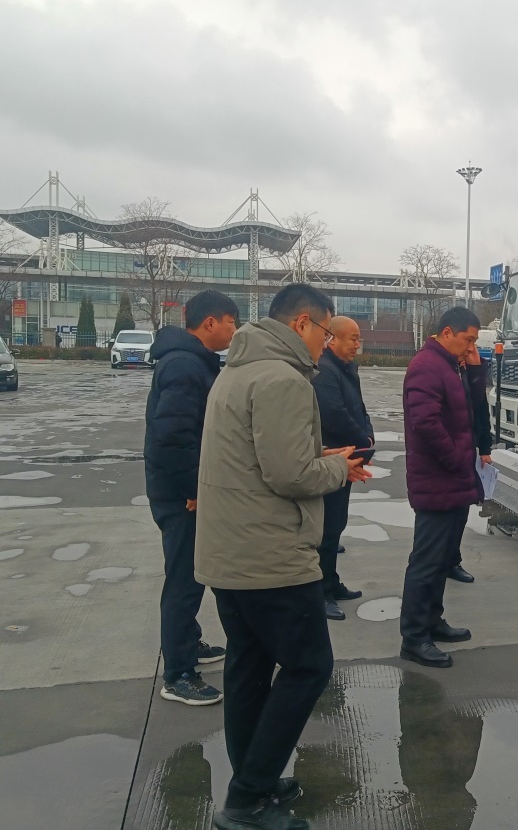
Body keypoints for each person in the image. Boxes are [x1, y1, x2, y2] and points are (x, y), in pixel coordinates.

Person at [196, 284, 370, 830]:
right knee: (308, 667)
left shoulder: (239, 370)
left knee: (248, 669)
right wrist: (338, 468)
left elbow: (264, 456)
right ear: (302, 325)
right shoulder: (283, 379)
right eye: (325, 332)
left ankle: (255, 779)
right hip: (270, 555)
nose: (327, 343)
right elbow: (290, 476)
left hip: (232, 552)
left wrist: (319, 455)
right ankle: (247, 799)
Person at [143, 289, 239, 706]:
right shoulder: (184, 365)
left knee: (193, 575)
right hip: (180, 495)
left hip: (184, 488)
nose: (234, 331)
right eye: (231, 323)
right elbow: (173, 437)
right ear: (210, 323)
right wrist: (193, 490)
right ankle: (178, 673)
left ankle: (189, 642)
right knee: (184, 580)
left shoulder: (193, 360)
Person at [399, 306, 486, 668]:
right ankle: (414, 637)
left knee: (441, 560)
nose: (471, 347)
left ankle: (432, 621)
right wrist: (455, 459)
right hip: (438, 480)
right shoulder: (426, 366)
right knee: (426, 562)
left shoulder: (449, 364)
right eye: (468, 340)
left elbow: (471, 411)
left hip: (453, 480)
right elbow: (426, 423)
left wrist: (476, 369)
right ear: (447, 332)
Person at [313, 315, 374, 621]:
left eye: (358, 338)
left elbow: (359, 408)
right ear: (332, 339)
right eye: (352, 338)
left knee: (337, 523)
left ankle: (332, 581)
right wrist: (363, 440)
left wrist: (368, 437)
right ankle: (321, 592)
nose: (357, 344)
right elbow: (333, 413)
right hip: (332, 459)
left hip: (348, 458)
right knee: (326, 529)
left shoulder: (347, 369)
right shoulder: (325, 370)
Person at [446, 345, 494, 584]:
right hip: (450, 455)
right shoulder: (444, 371)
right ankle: (442, 561)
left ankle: (452, 561)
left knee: (462, 510)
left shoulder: (468, 373)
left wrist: (485, 448)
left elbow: (481, 410)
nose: (471, 351)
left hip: (468, 452)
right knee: (446, 514)